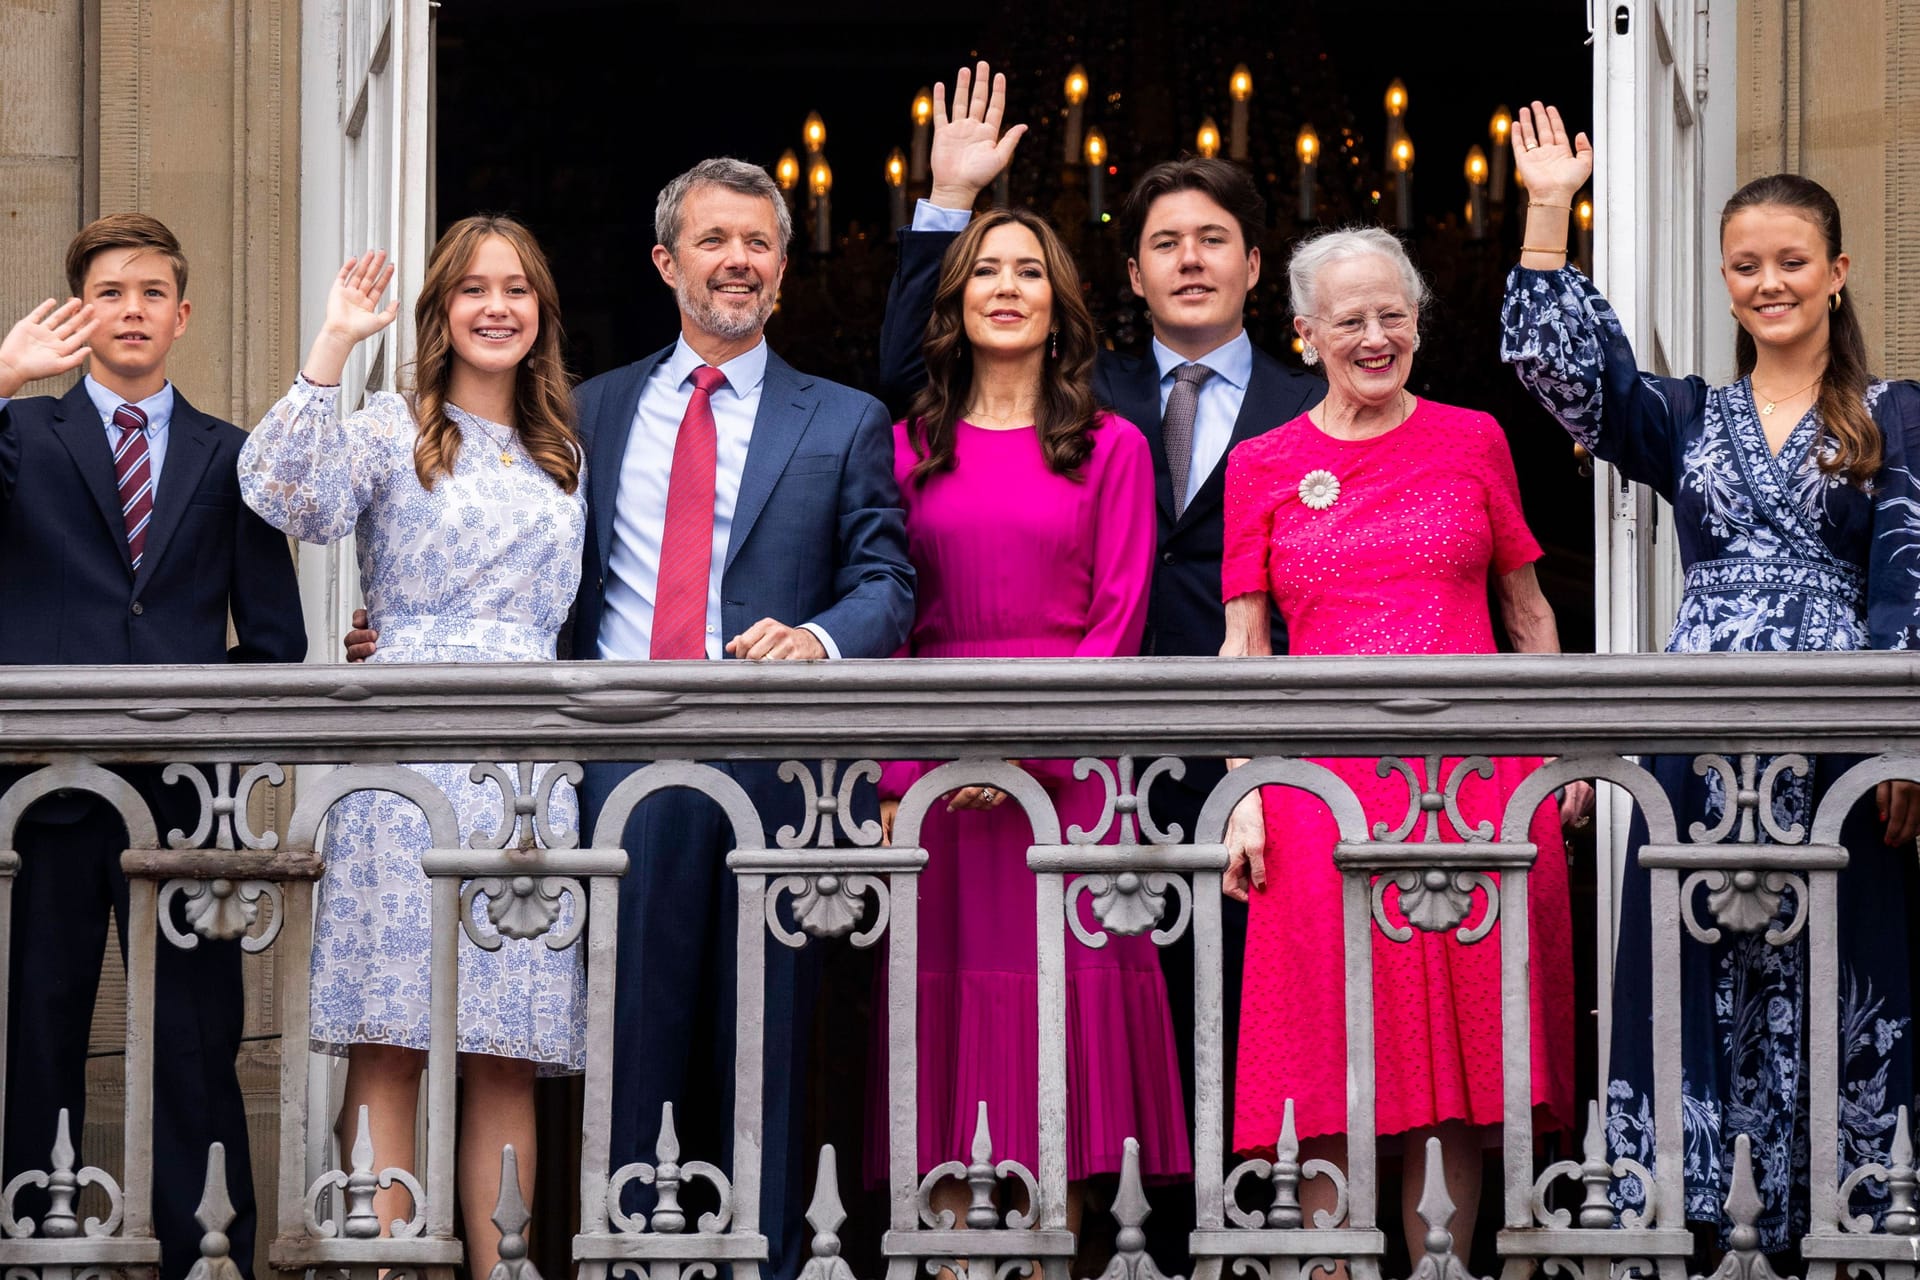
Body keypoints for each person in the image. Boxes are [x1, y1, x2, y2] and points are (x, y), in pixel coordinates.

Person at [348, 158, 916, 1280]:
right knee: (622, 1033)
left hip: (771, 772)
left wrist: (817, 637)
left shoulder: (844, 417)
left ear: (785, 271)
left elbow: (888, 578)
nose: (738, 261)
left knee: (763, 1038)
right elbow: (503, 541)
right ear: (667, 263)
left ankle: (758, 1263)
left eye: (758, 243)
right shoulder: (584, 409)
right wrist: (410, 625)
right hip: (606, 764)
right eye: (713, 240)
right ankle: (626, 1257)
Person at [876, 62, 1323, 1184]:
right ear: (1127, 272)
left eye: (1213, 239)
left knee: (1226, 1019)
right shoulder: (1093, 389)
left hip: (1209, 749)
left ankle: (1233, 1241)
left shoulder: (1314, 404)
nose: (1190, 260)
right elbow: (914, 381)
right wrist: (947, 206)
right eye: (1165, 242)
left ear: (1254, 264)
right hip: (1058, 756)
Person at [1502, 103, 1920, 1248]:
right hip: (1698, 732)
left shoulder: (1900, 416)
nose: (1768, 283)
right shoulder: (1687, 416)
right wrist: (1548, 211)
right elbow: (1564, 375)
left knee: (1845, 970)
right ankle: (1684, 1221)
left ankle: (1842, 1223)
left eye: (1791, 261)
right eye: (1746, 265)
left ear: (1837, 271)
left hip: (1840, 736)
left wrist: (1901, 737)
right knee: (1691, 959)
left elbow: (1908, 572)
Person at [1219, 227, 1583, 1263]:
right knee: (1329, 1053)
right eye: (1350, 320)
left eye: (1394, 315)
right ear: (1304, 335)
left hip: (1470, 788)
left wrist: (1556, 757)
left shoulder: (1473, 437)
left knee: (1455, 1070)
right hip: (1320, 795)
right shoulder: (1265, 465)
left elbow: (1527, 611)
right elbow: (1245, 642)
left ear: (1419, 320)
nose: (1375, 337)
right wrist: (1243, 792)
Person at [238, 216, 585, 1277]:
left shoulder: (562, 449)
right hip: (403, 764)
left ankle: (504, 1267)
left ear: (541, 315)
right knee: (390, 1041)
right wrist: (334, 342)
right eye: (473, 288)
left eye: (517, 289)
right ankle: (382, 1267)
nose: (496, 306)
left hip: (526, 769)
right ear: (438, 312)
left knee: (506, 1054)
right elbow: (282, 492)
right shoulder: (394, 427)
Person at [0, 213, 307, 1280]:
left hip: (187, 800)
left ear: (183, 313)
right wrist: (0, 379)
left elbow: (275, 643)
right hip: (47, 787)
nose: (130, 310)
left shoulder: (237, 456)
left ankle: (207, 1254)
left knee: (195, 1040)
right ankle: (33, 1248)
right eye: (108, 292)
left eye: (149, 292)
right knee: (38, 1030)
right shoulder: (23, 435)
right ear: (79, 313)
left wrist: (192, 721)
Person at [867, 207, 1190, 1219]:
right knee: (951, 1020)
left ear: (1060, 307)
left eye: (1030, 273)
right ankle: (955, 1252)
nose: (1007, 288)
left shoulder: (1114, 446)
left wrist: (1015, 753)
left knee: (1067, 1028)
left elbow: (1119, 623)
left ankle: (1067, 1248)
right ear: (956, 305)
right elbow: (889, 617)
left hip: (1075, 778)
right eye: (984, 272)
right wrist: (902, 777)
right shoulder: (905, 443)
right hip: (935, 784)